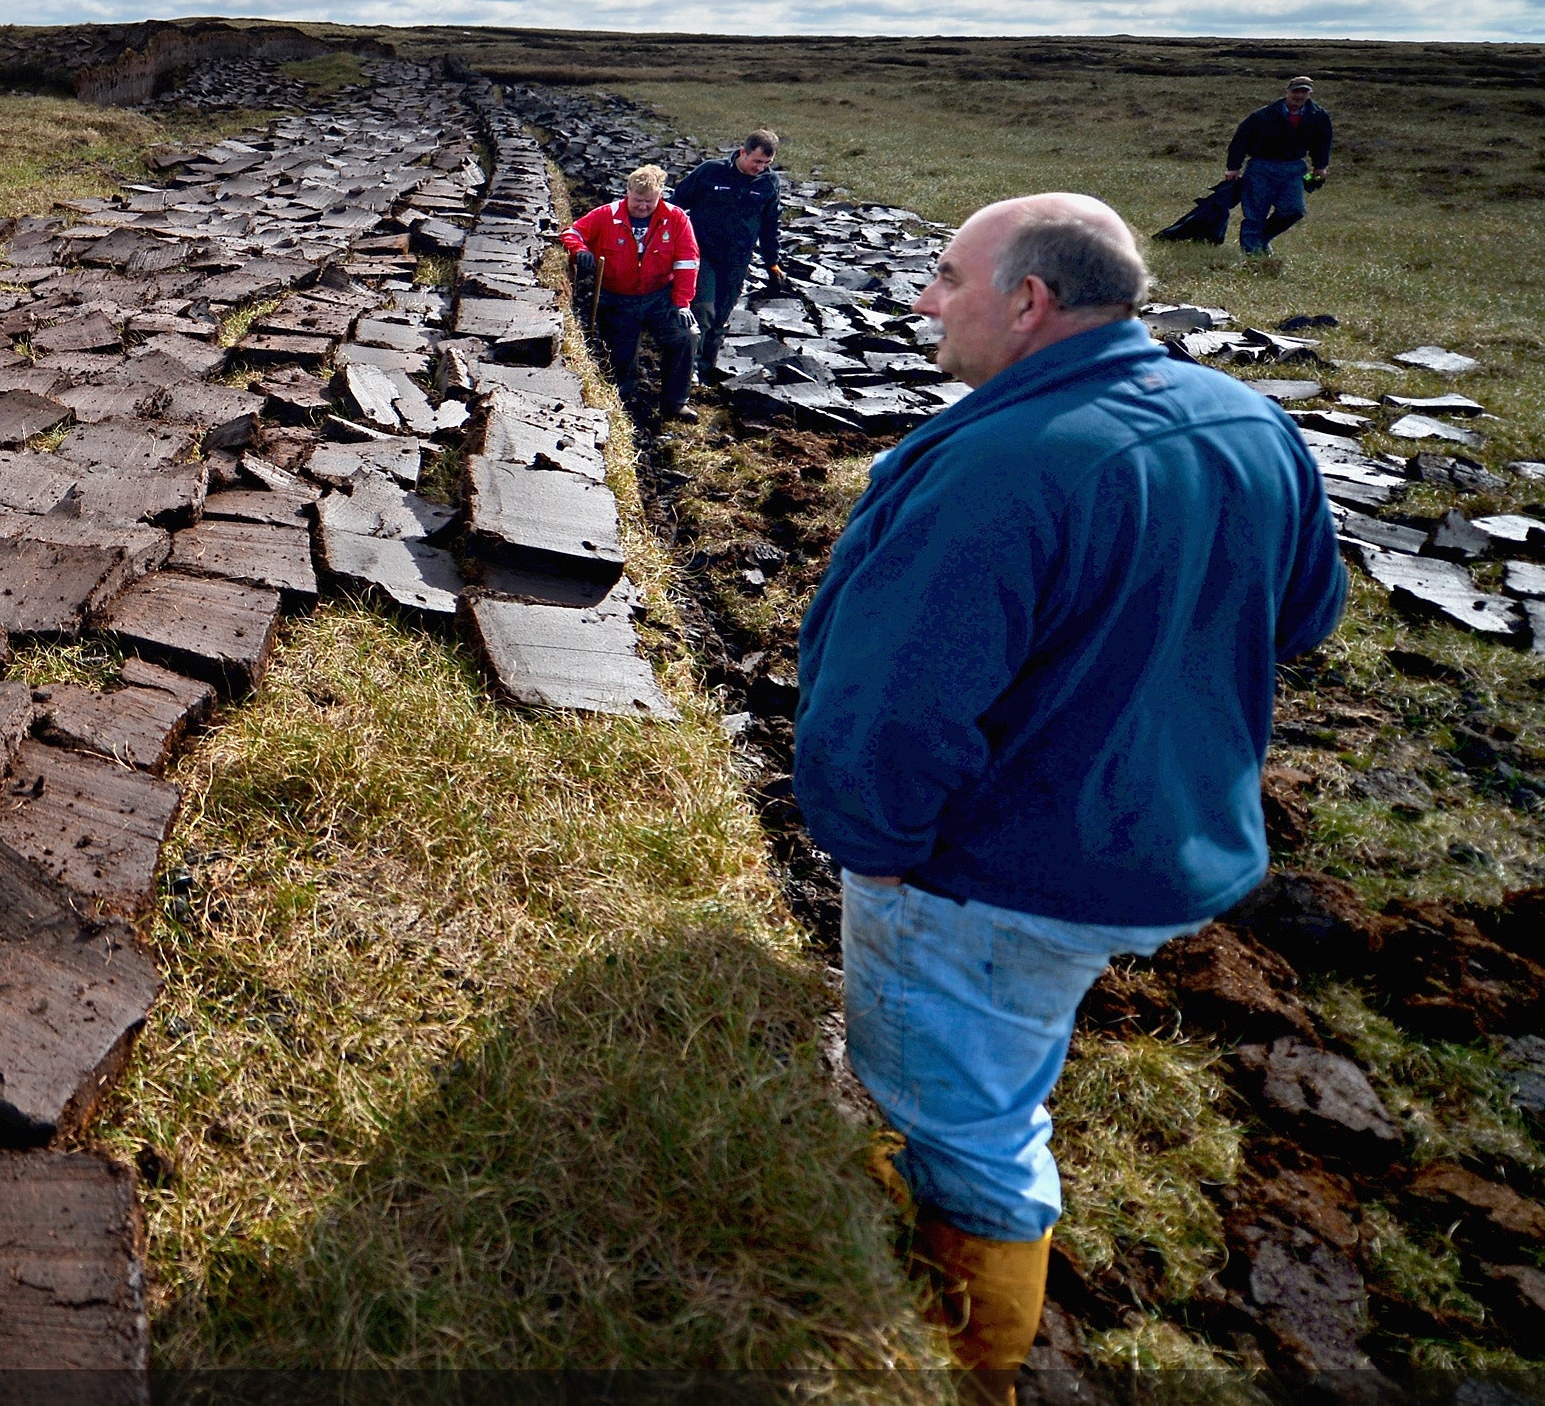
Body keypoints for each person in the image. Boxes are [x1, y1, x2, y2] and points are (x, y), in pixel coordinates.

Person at [792, 194, 1345, 1371]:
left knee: (963, 1119)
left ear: (1029, 301)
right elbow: (1303, 617)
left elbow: (890, 709)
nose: (925, 299)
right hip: (1167, 840)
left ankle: (957, 1360)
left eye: (947, 276)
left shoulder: (1000, 466)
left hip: (1002, 871)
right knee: (1012, 1052)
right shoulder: (1249, 423)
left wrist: (875, 849)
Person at [559, 164, 701, 423]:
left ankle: (675, 403)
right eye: (637, 200)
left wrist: (682, 304)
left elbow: (687, 262)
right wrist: (578, 250)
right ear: (627, 192)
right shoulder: (606, 214)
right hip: (616, 298)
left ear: (660, 196)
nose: (643, 206)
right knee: (620, 358)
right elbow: (572, 231)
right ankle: (622, 402)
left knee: (686, 336)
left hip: (660, 297)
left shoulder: (677, 218)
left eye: (649, 201)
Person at [671, 129, 786, 378]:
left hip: (737, 259)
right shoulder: (711, 171)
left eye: (767, 163)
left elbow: (770, 225)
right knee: (702, 310)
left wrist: (772, 263)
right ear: (742, 152)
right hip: (702, 254)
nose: (760, 167)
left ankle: (706, 369)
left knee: (721, 315)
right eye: (756, 161)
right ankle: (688, 372)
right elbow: (676, 205)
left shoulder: (769, 183)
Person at [1223, 76, 1332, 258]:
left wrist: (1320, 166)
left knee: (1293, 210)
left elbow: (1323, 142)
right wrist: (1233, 167)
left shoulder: (1318, 116)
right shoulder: (1263, 115)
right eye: (1295, 91)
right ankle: (1252, 256)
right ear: (1287, 92)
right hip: (1260, 167)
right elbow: (1240, 140)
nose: (1299, 96)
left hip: (1294, 168)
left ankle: (1261, 239)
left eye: (1304, 92)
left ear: (1310, 94)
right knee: (1255, 213)